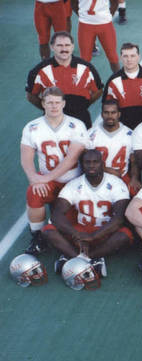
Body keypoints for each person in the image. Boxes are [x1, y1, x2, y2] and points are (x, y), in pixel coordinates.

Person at [42, 149, 131, 277]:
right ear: (82, 165)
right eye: (87, 162)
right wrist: (76, 234)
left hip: (105, 232)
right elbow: (57, 215)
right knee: (48, 230)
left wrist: (94, 236)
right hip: (81, 231)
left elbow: (119, 219)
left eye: (95, 162)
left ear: (102, 163)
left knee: (124, 235)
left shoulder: (116, 184)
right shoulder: (74, 185)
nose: (91, 165)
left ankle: (73, 257)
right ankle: (89, 260)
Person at [20, 87, 88, 255]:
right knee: (33, 192)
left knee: (69, 228)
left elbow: (71, 159)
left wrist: (45, 178)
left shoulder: (76, 125)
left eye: (57, 102)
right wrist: (33, 178)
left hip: (73, 182)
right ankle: (36, 236)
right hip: (48, 182)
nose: (54, 106)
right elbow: (26, 158)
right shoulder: (32, 127)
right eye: (49, 102)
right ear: (43, 104)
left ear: (63, 103)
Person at [25, 31, 102, 127]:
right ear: (52, 47)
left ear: (72, 47)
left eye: (67, 45)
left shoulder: (87, 67)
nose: (64, 49)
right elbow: (31, 96)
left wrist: (84, 105)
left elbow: (98, 91)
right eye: (60, 45)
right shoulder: (39, 70)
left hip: (81, 118)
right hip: (52, 120)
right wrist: (48, 108)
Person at [103, 42, 142, 128]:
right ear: (121, 58)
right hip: (123, 130)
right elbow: (107, 108)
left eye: (132, 56)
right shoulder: (113, 81)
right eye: (125, 56)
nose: (129, 60)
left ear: (138, 57)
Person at [87, 98, 136, 189]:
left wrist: (134, 178)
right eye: (106, 112)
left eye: (113, 113)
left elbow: (134, 162)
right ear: (101, 114)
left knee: (136, 194)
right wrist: (107, 170)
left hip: (122, 177)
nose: (110, 116)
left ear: (119, 114)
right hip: (97, 177)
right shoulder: (91, 134)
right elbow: (85, 163)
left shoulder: (130, 134)